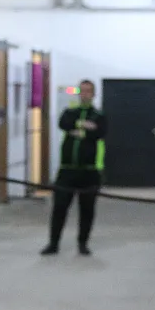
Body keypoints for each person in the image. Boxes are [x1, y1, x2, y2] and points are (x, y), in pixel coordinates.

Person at [41, 79, 106, 256]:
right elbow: (64, 123)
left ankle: (83, 243)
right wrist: (82, 125)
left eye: (88, 91)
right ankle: (53, 243)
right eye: (82, 91)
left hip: (90, 171)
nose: (84, 94)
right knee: (59, 207)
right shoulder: (70, 112)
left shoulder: (98, 115)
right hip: (67, 170)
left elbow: (99, 131)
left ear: (93, 94)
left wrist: (81, 131)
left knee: (87, 210)